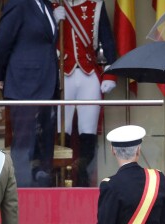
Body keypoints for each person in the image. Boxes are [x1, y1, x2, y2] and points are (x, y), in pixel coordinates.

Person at [0, 0, 65, 187]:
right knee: (24, 143)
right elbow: (2, 43)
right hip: (24, 84)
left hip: (47, 84)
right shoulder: (18, 4)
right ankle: (22, 192)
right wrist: (1, 75)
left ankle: (43, 189)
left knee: (45, 144)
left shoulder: (46, 6)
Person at [52, 0, 117, 186]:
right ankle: (60, 176)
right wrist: (54, 22)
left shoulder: (95, 5)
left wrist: (110, 75)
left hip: (89, 73)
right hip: (62, 74)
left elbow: (108, 39)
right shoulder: (53, 6)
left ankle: (84, 178)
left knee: (87, 130)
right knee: (61, 130)